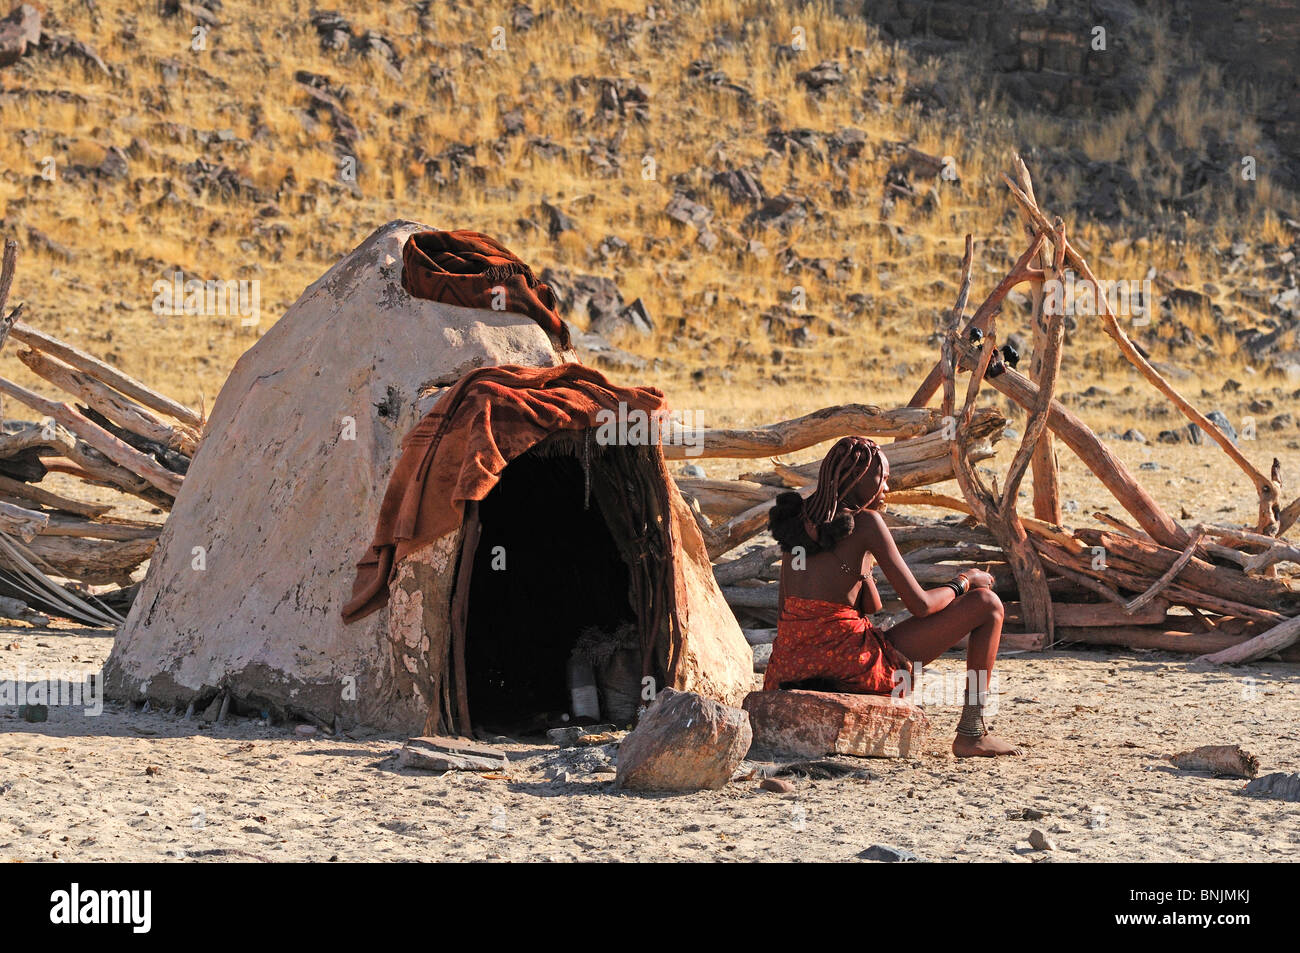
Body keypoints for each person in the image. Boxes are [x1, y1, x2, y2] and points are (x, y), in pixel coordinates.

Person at [765, 435, 1023, 757]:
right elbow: (921, 606)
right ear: (858, 479)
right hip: (847, 665)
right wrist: (966, 580)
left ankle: (972, 733)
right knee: (987, 605)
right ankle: (971, 734)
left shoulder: (796, 521)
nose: (887, 487)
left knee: (865, 634)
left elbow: (785, 612)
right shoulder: (866, 523)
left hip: (788, 668)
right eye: (882, 478)